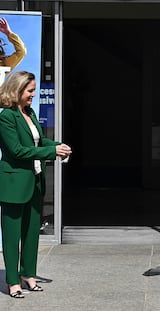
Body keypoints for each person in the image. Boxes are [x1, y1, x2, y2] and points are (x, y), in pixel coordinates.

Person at [0, 71, 72, 298]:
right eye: (30, 90)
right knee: (12, 237)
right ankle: (13, 281)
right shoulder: (6, 117)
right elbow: (18, 150)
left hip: (35, 181)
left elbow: (38, 141)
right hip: (14, 183)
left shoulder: (29, 112)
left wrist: (58, 145)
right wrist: (51, 151)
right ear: (17, 90)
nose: (34, 94)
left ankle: (28, 275)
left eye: (34, 90)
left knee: (32, 234)